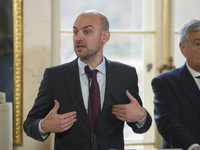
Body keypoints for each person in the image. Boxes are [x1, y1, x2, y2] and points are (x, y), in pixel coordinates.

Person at [24, 10, 152, 150]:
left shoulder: (126, 74)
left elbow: (141, 126)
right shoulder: (55, 76)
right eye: (75, 32)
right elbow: (29, 124)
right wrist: (43, 126)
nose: (78, 37)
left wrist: (141, 116)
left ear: (105, 36)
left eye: (87, 32)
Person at [152, 19, 200, 150]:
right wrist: (193, 147)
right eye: (198, 44)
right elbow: (169, 123)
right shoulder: (164, 82)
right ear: (183, 48)